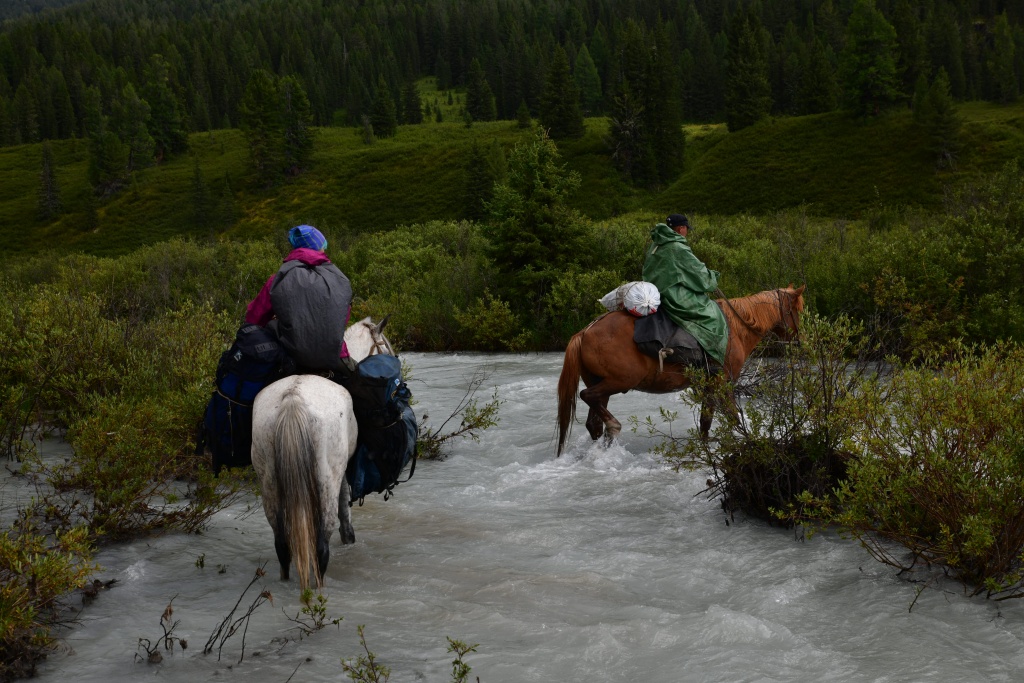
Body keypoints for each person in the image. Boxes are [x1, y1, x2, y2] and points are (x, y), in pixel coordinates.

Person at [245, 224, 356, 374]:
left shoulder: (277, 279)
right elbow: (342, 316)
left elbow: (254, 318)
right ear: (318, 247)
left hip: (289, 356)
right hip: (334, 356)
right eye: (323, 245)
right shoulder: (337, 278)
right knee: (363, 384)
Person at [642, 213, 727, 367]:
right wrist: (712, 278)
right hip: (671, 295)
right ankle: (709, 361)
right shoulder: (677, 247)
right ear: (681, 228)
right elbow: (699, 274)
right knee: (711, 314)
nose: (687, 231)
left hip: (653, 292)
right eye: (686, 228)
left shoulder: (656, 244)